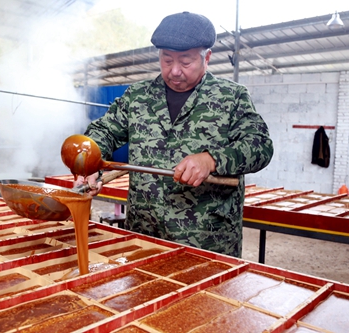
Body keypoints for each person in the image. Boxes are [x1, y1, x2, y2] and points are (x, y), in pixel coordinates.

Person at [77, 12, 273, 257]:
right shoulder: (138, 97)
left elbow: (260, 146)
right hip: (143, 237)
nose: (175, 71)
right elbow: (103, 131)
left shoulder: (231, 97)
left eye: (186, 61)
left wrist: (211, 160)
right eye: (167, 60)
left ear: (207, 58)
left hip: (206, 242)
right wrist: (91, 162)